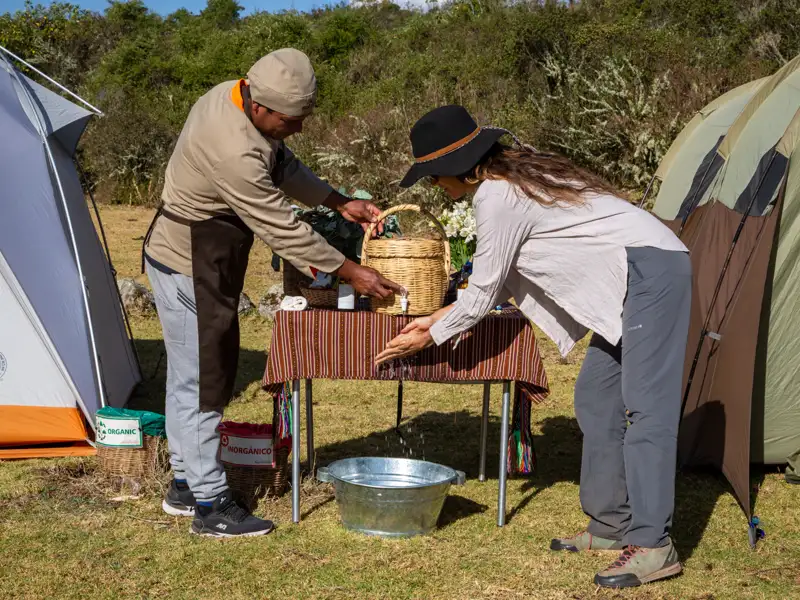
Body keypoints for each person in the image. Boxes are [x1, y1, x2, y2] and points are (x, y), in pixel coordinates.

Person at [376, 105, 691, 588]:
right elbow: (498, 281)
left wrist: (426, 333)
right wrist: (437, 317)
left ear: (454, 168)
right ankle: (611, 525)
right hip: (628, 278)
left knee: (647, 411)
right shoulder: (513, 180)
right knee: (595, 398)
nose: (435, 187)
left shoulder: (498, 195)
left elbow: (482, 294)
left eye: (433, 176)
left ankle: (653, 544)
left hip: (651, 272)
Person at [142, 48, 401, 538]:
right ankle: (210, 505)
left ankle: (185, 484)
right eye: (291, 119)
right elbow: (282, 228)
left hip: (207, 255)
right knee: (202, 378)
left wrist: (338, 201)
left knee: (191, 371)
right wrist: (352, 271)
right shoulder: (231, 147)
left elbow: (285, 165)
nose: (298, 129)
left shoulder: (237, 99)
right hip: (187, 261)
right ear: (260, 106)